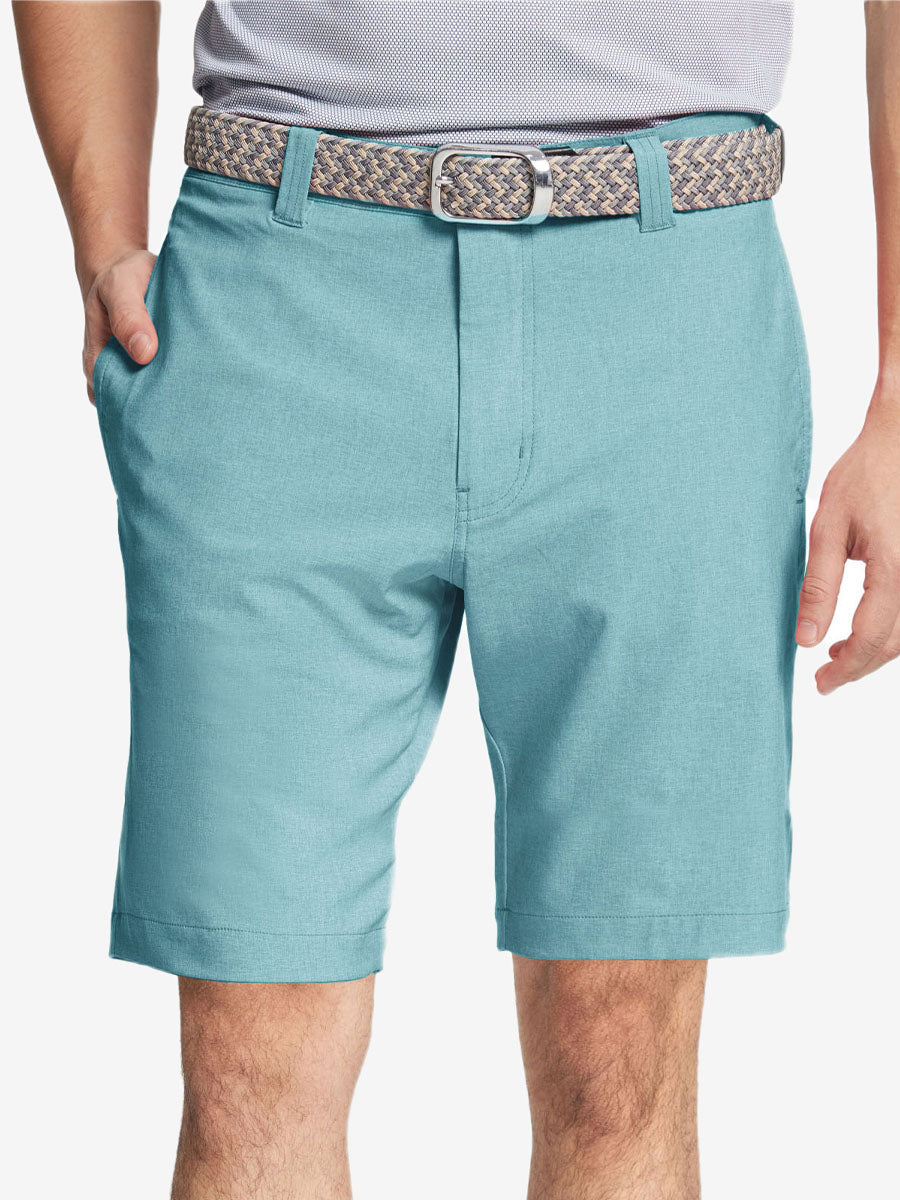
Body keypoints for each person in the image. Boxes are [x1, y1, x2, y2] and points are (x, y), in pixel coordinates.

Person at [13, 2, 900, 1197]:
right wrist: (101, 236)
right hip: (279, 290)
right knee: (249, 1059)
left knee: (619, 1044)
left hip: (670, 299)